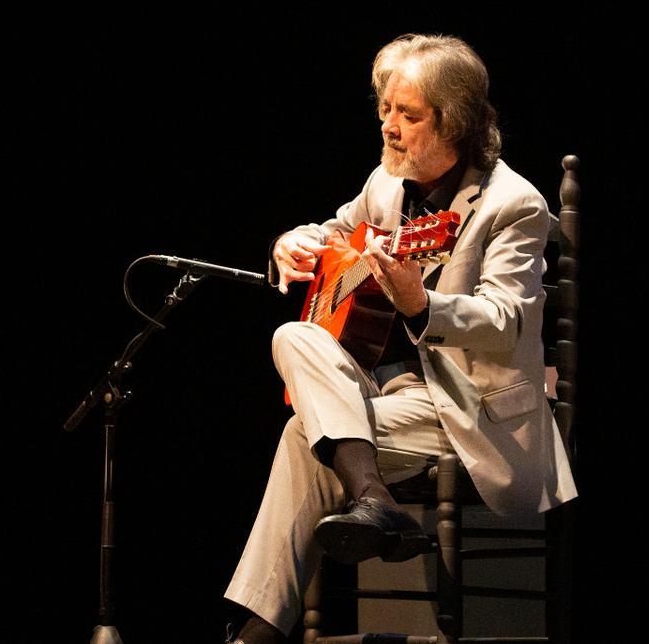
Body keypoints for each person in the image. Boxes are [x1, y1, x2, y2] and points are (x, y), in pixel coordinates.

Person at [224, 33, 577, 644]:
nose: (388, 125)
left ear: (456, 122)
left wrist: (422, 303)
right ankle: (374, 498)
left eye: (408, 115)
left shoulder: (514, 204)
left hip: (472, 408)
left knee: (300, 433)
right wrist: (295, 240)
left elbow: (506, 321)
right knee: (294, 335)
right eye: (385, 108)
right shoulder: (386, 184)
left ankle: (256, 631)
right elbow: (337, 231)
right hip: (390, 394)